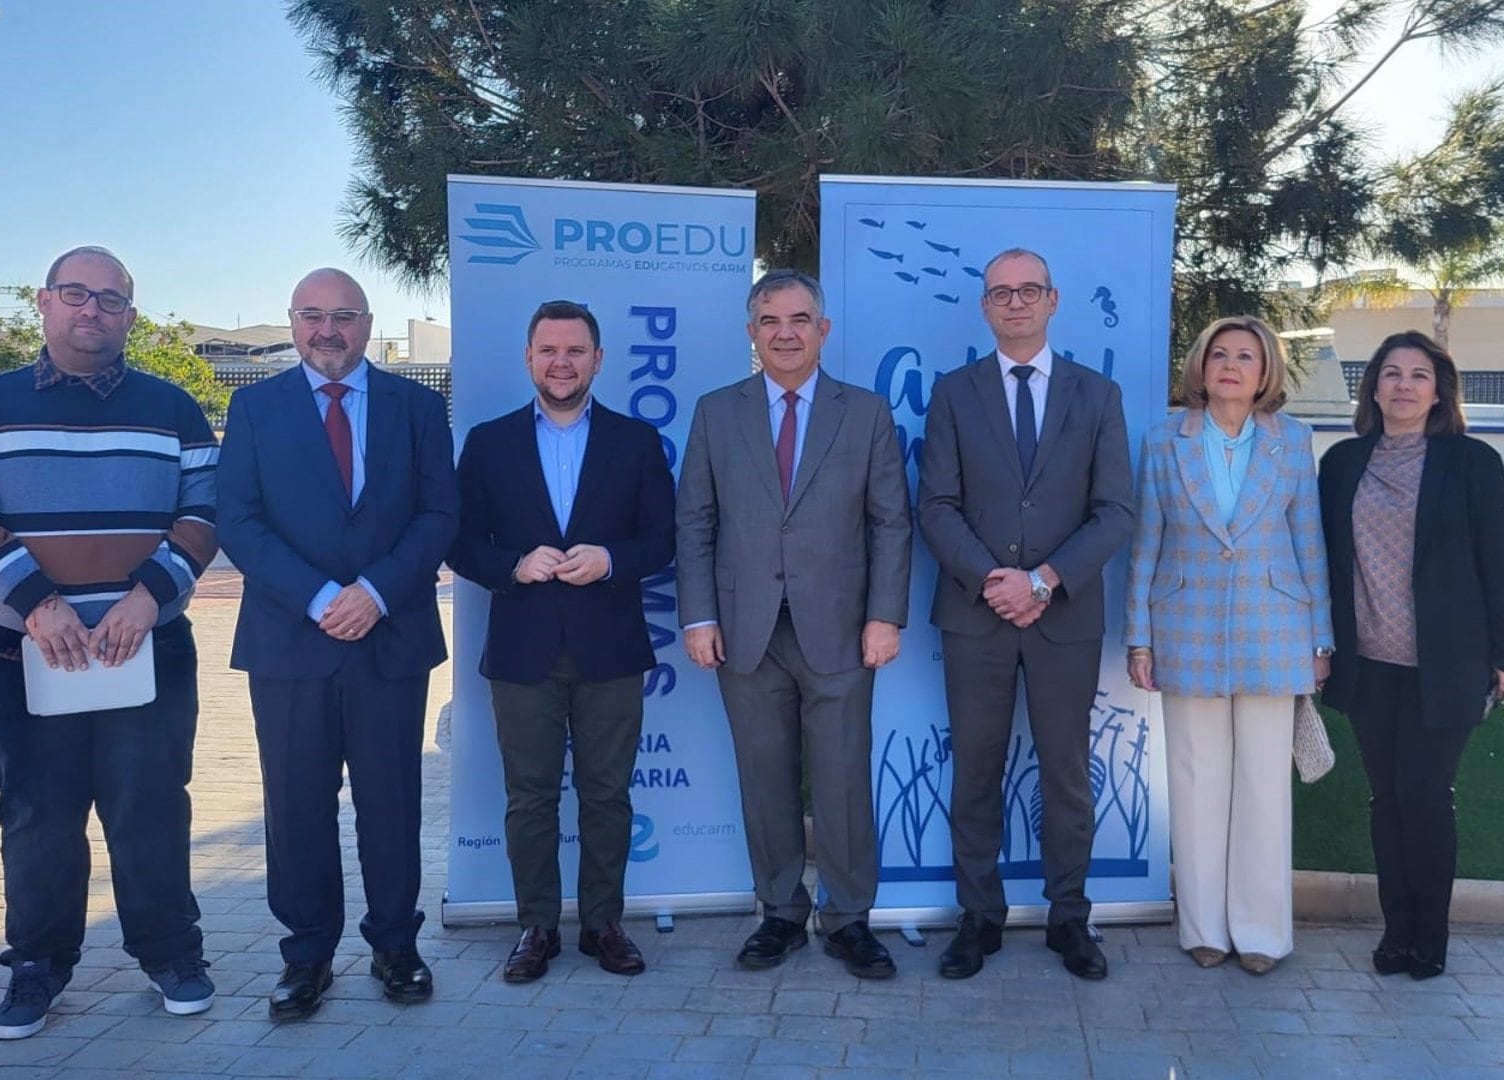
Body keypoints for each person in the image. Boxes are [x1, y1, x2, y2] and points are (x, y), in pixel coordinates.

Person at [0, 245, 218, 1039]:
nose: (94, 310)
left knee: (150, 811)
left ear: (131, 312)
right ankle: (36, 967)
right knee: (37, 818)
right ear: (45, 302)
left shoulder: (174, 409)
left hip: (145, 647)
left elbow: (204, 513)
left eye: (112, 298)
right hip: (24, 653)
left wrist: (146, 598)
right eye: (77, 294)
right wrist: (39, 605)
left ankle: (171, 954)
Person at [215, 269, 457, 1020]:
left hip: (390, 638)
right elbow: (238, 521)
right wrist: (322, 598)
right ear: (291, 322)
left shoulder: (418, 406)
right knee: (296, 807)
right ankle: (306, 956)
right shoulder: (254, 408)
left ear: (367, 322)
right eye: (313, 315)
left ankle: (395, 945)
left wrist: (375, 593)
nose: (328, 330)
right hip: (291, 640)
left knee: (392, 803)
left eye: (344, 315)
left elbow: (439, 512)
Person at [675, 269, 913, 979]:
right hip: (745, 630)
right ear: (752, 333)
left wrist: (884, 616)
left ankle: (847, 920)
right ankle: (779, 913)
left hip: (842, 630)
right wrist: (699, 616)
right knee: (764, 777)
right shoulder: (716, 413)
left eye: (800, 319)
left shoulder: (864, 412)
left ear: (823, 330)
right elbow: (694, 520)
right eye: (770, 320)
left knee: (841, 780)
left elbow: (890, 524)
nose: (785, 332)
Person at [917, 248, 1133, 981]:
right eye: (1001, 292)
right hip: (976, 616)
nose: (1015, 302)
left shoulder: (1097, 396)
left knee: (1066, 774)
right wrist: (991, 580)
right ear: (985, 306)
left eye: (1028, 290)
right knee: (974, 772)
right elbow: (936, 507)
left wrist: (1041, 581)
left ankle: (1070, 920)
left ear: (1052, 299)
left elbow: (1115, 513)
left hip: (1064, 617)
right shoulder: (953, 393)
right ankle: (978, 920)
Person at [448, 300, 675, 981]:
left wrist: (610, 560)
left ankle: (603, 923)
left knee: (608, 794)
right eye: (548, 350)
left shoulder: (636, 441)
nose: (561, 362)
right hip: (523, 647)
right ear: (528, 358)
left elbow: (662, 538)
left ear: (598, 360)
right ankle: (536, 926)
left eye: (575, 350)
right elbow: (459, 541)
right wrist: (511, 566)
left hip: (611, 647)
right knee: (530, 796)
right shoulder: (488, 442)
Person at [1122, 315, 1333, 976]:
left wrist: (1321, 638)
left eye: (1246, 355)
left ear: (1265, 371)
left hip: (1276, 631)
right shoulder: (1164, 441)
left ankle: (1263, 933)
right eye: (1220, 354)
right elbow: (1145, 544)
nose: (1232, 365)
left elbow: (1310, 543)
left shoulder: (1293, 442)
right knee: (1194, 781)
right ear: (1201, 366)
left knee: (1265, 788)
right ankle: (1204, 928)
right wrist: (1138, 637)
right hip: (1184, 629)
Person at [1318, 330, 1504, 980]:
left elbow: (1500, 562)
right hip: (1368, 662)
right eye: (1391, 373)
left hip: (1449, 663)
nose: (1404, 385)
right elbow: (1322, 564)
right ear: (1373, 387)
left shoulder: (1472, 462)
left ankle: (1429, 935)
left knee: (1427, 794)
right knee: (1387, 798)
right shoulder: (1342, 463)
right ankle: (1396, 931)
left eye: (1418, 375)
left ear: (1439, 391)